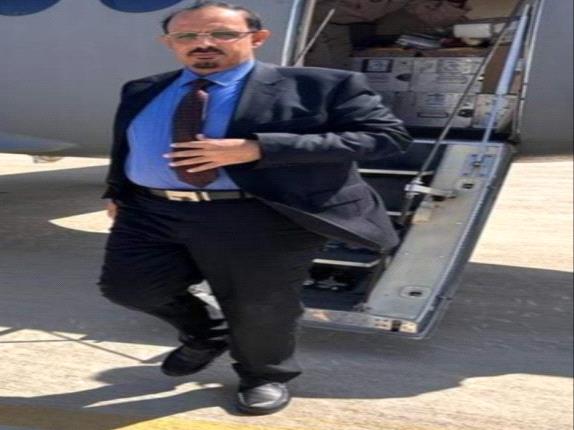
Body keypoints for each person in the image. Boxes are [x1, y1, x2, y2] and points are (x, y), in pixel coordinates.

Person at [98, 1, 411, 415]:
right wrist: (117, 191)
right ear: (170, 43)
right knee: (129, 288)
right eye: (187, 36)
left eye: (222, 34)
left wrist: (258, 148)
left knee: (259, 304)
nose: (203, 44)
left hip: (257, 212)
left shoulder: (321, 85)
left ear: (257, 38)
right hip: (152, 211)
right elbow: (127, 145)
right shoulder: (142, 89)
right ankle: (207, 333)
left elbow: (386, 137)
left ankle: (263, 375)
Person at [308, 0, 471, 69]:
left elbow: (430, 16)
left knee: (335, 77)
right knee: (316, 73)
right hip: (306, 18)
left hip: (338, 26)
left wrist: (455, 3)